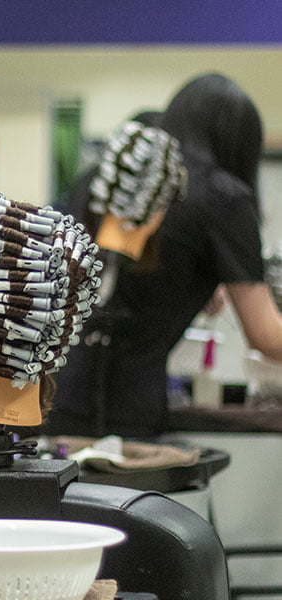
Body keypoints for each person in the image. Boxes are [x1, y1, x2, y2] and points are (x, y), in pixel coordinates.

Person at [45, 72, 282, 439]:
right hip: (128, 411)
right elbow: (267, 336)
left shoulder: (98, 178)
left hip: (50, 394)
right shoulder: (223, 197)